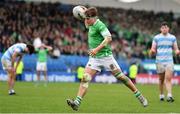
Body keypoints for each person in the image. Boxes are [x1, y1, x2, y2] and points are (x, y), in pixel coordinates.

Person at [67, 7, 148, 111]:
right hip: (94, 59)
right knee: (85, 78)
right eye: (85, 18)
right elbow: (85, 18)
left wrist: (96, 49)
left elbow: (109, 38)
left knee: (121, 77)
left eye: (87, 18)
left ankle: (139, 95)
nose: (85, 21)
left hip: (106, 57)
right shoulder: (89, 22)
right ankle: (77, 102)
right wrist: (84, 11)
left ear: (94, 17)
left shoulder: (100, 25)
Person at [150, 22, 180, 102]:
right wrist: (152, 51)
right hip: (159, 61)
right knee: (161, 79)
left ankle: (169, 95)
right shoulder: (156, 38)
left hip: (169, 61)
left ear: (168, 28)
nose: (164, 29)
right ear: (161, 29)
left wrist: (177, 51)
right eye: (163, 27)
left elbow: (176, 48)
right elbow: (153, 48)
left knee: (168, 78)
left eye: (166, 27)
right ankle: (161, 95)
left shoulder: (172, 38)